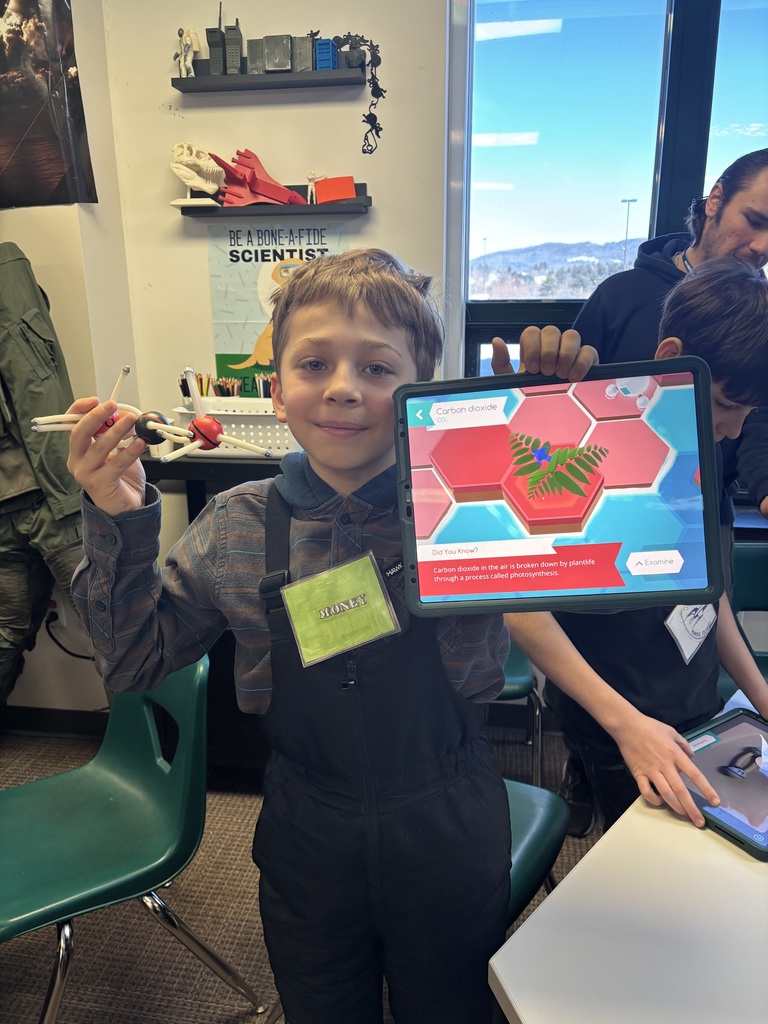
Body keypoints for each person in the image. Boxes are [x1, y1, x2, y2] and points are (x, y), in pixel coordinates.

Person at [65, 249, 597, 1024]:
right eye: (315, 363)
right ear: (276, 391)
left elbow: (605, 580)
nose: (344, 386)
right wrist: (118, 518)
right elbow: (133, 659)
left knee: (449, 1005)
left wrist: (558, 430)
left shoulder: (477, 512)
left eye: (378, 370)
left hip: (448, 818)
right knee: (319, 1005)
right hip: (306, 830)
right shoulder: (235, 525)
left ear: (417, 392)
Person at [495, 148, 768, 835]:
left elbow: (712, 591)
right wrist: (624, 724)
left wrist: (759, 694)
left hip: (689, 698)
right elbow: (519, 608)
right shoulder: (591, 464)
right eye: (725, 408)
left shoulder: (698, 456)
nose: (732, 432)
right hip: (614, 707)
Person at [0, 242, 84, 714]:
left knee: (6, 628)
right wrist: (70, 494)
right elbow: (37, 385)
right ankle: (154, 753)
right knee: (113, 625)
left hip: (17, 496)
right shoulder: (6, 268)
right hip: (47, 495)